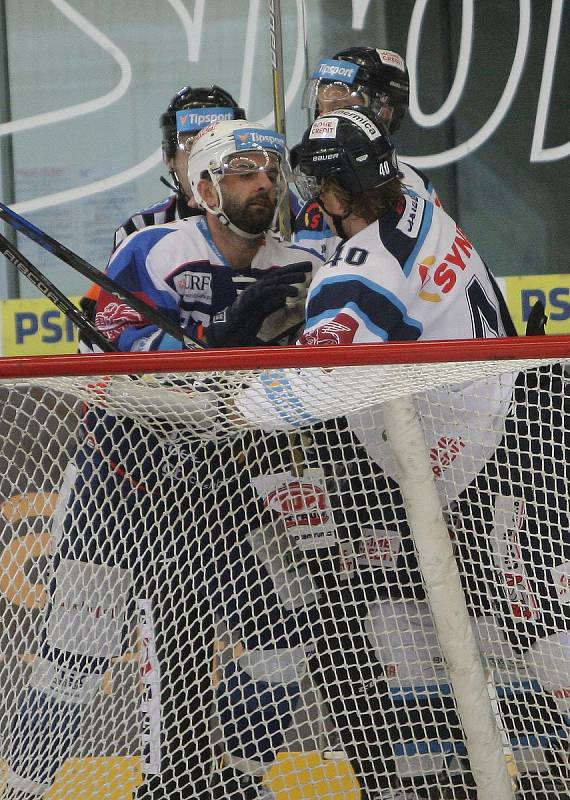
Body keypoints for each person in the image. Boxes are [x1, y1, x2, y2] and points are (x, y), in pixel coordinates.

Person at [236, 108, 570, 798]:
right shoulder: (420, 200)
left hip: (484, 459)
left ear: (331, 198)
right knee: (403, 613)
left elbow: (309, 388)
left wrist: (230, 382)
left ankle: (444, 775)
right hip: (511, 425)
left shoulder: (359, 276)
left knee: (527, 615)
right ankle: (432, 779)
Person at [5, 120, 323, 800]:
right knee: (72, 663)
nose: (264, 181)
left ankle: (239, 779)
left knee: (283, 640)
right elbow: (109, 361)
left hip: (220, 487)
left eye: (270, 168)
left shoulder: (299, 267)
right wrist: (229, 340)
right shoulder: (151, 251)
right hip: (119, 483)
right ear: (205, 187)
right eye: (243, 170)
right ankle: (24, 789)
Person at [292, 46, 441, 260]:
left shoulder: (413, 187)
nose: (323, 120)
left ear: (384, 112)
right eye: (321, 108)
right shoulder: (317, 192)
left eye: (339, 107)